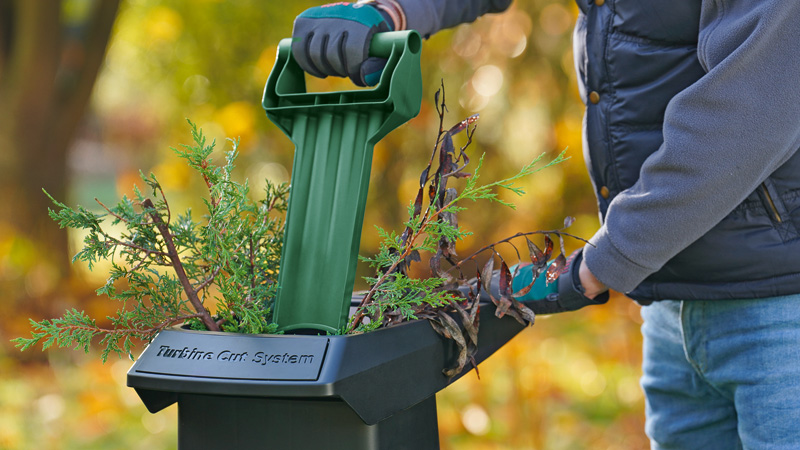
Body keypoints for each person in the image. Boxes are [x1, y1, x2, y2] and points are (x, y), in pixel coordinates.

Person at [290, 1, 800, 448]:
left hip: (780, 312)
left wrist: (602, 263)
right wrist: (390, 11)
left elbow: (757, 104)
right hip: (669, 303)